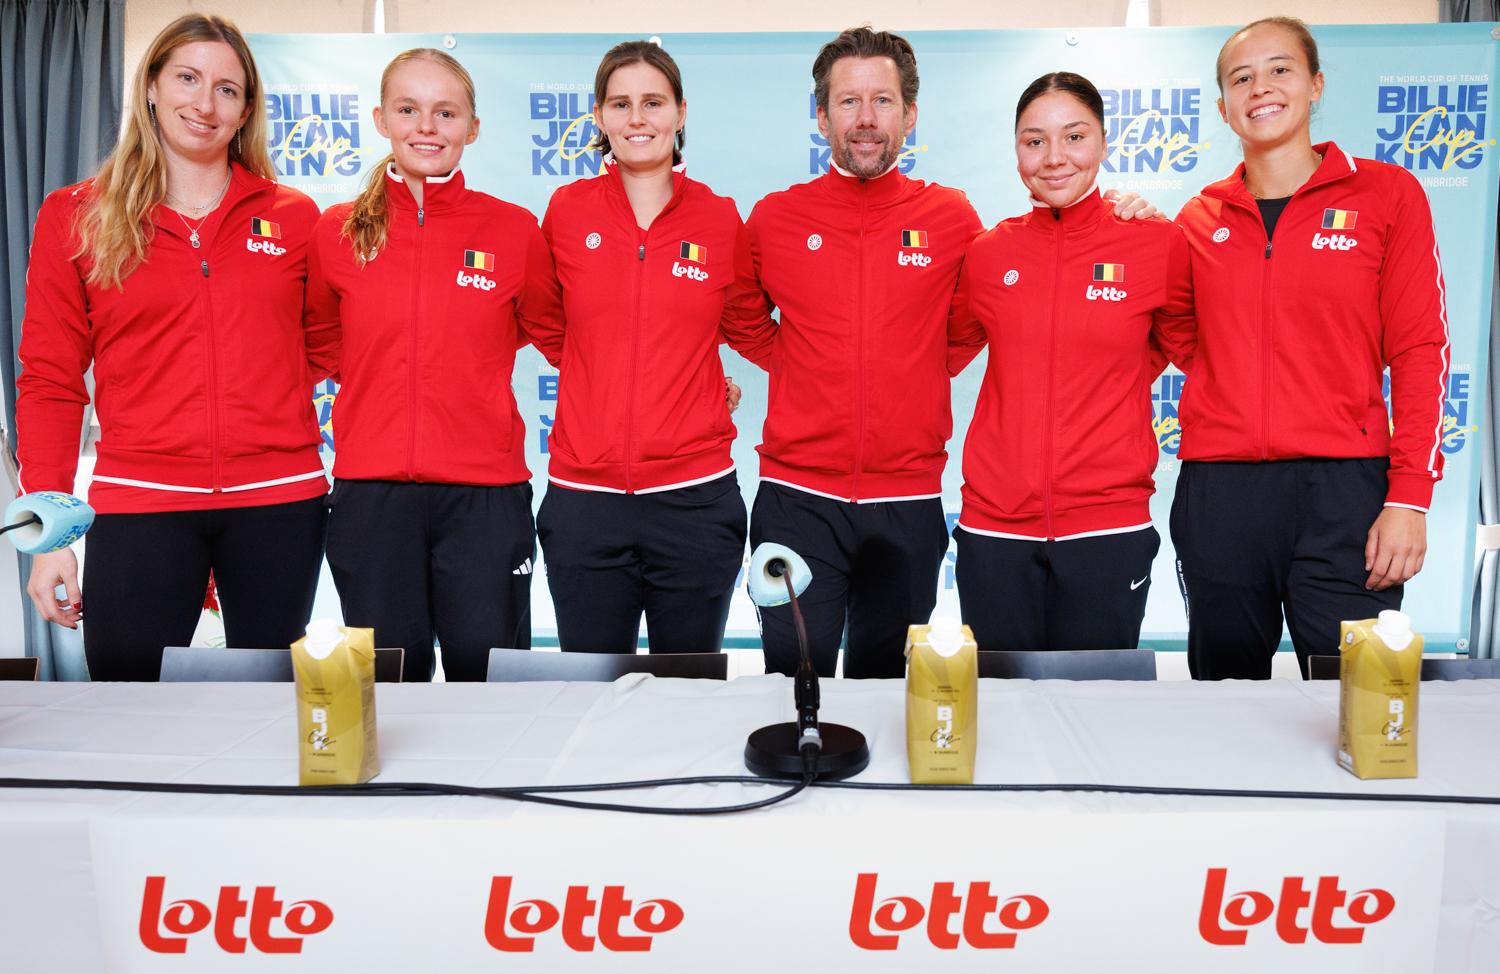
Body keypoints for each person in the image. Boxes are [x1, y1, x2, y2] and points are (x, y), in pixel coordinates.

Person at [736, 28, 1157, 678]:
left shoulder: (953, 218)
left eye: (884, 100)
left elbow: (968, 328)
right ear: (821, 116)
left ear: (910, 113)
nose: (867, 119)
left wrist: (908, 372)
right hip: (797, 497)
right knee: (794, 686)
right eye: (849, 102)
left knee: (886, 687)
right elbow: (740, 314)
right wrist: (800, 365)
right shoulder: (775, 218)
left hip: (908, 500)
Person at [17, 14, 331, 681]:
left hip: (278, 501)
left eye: (227, 89)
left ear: (246, 109)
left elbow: (326, 345)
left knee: (271, 712)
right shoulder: (75, 215)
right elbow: (50, 379)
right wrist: (50, 534)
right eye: (188, 78)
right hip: (141, 502)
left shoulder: (295, 217)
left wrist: (263, 385)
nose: (205, 102)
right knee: (128, 712)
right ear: (152, 87)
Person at [1171, 17, 1448, 679]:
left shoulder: (1387, 195)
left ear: (1315, 85)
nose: (1260, 87)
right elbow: (1179, 333)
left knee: (1358, 698)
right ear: (1223, 107)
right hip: (1221, 492)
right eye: (1241, 77)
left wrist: (1408, 498)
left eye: (1279, 69)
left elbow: (1419, 348)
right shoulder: (1197, 219)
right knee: (1227, 704)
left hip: (1344, 492)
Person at [304, 49, 563, 682]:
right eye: (408, 109)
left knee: (491, 684)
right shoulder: (337, 232)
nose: (427, 126)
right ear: (381, 119)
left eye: (445, 112)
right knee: (390, 687)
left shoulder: (513, 230)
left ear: (471, 127)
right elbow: (316, 344)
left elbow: (564, 340)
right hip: (371, 499)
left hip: (485, 496)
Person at [536, 41, 772, 655]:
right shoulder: (565, 211)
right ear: (599, 117)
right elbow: (550, 323)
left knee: (690, 692)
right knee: (590, 695)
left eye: (652, 102)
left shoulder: (721, 219)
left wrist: (686, 386)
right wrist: (613, 377)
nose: (637, 118)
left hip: (696, 500)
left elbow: (748, 326)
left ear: (681, 113)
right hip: (585, 502)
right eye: (621, 104)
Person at [946, 72, 1194, 653]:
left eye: (1074, 137)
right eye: (1034, 141)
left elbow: (1194, 348)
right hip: (994, 527)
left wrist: (1115, 381)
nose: (1054, 158)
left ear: (1104, 143)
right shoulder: (988, 253)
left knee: (1097, 713)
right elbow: (935, 356)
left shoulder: (1156, 243)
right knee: (999, 714)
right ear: (1016, 151)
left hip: (1108, 525)